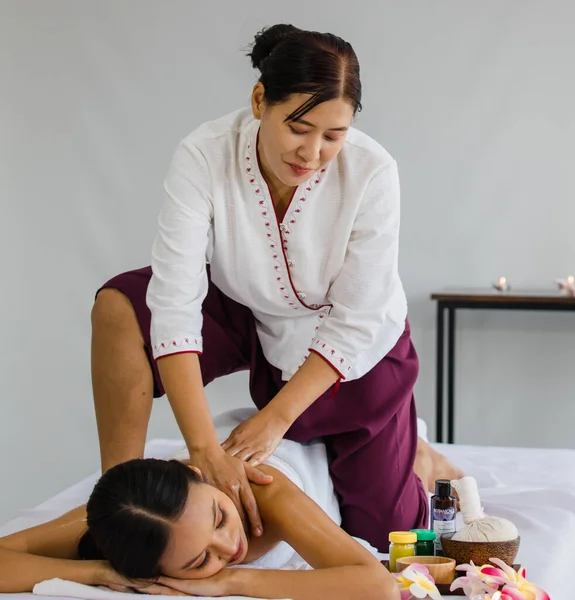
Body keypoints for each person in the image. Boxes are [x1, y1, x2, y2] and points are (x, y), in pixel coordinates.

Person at [90, 23, 462, 553]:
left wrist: (273, 422)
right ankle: (120, 505)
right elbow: (174, 300)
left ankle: (414, 447)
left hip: (353, 350)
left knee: (386, 534)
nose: (312, 153)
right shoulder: (204, 155)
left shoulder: (374, 172)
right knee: (120, 307)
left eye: (333, 136)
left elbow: (358, 316)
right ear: (260, 99)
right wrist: (205, 449)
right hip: (248, 310)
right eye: (299, 127)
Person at [0, 440, 401, 599]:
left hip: (298, 448)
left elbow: (376, 586)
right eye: (199, 562)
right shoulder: (122, 521)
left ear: (196, 475)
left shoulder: (266, 492)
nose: (231, 547)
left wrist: (229, 579)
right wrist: (96, 572)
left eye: (220, 518)